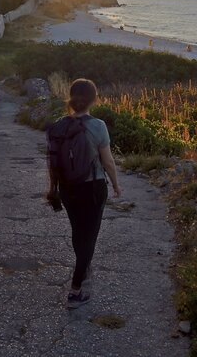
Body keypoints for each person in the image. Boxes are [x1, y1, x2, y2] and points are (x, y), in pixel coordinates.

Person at [47, 79, 122, 309]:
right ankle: (76, 291)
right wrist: (116, 185)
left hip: (68, 189)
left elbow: (52, 163)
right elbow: (108, 161)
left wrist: (53, 188)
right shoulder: (98, 126)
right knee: (89, 238)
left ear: (70, 98)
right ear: (94, 99)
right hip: (92, 188)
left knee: (78, 233)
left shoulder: (58, 126)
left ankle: (84, 267)